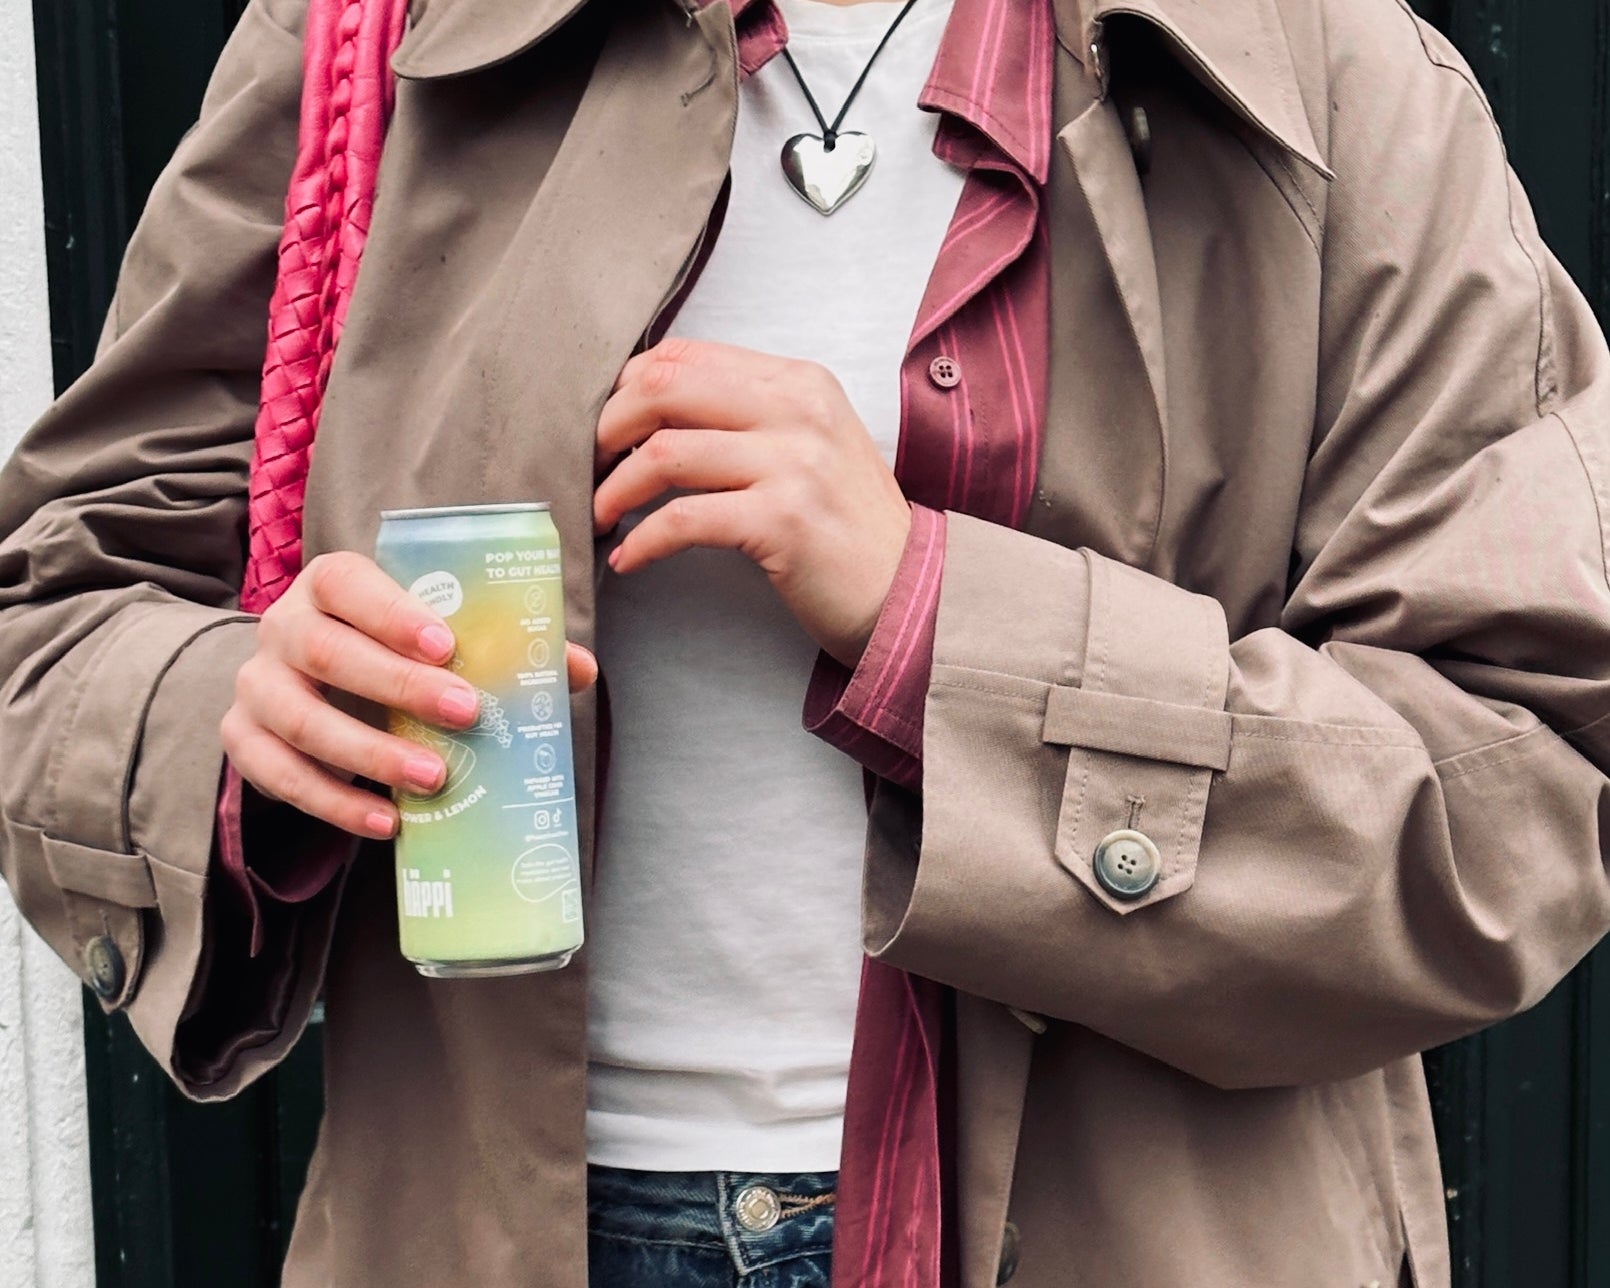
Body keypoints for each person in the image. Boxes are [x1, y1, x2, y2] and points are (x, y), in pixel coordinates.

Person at [3, 0, 1609, 1283]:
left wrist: (928, 614)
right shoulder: (371, 40)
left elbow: (1518, 783)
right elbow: (56, 618)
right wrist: (239, 716)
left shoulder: (1334, 77)